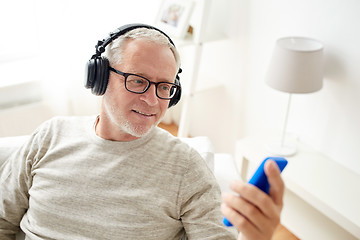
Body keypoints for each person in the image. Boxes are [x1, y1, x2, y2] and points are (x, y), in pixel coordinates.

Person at [0, 23, 284, 240]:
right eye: (138, 81)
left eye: (164, 87)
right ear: (99, 76)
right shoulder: (49, 137)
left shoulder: (186, 169)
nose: (153, 101)